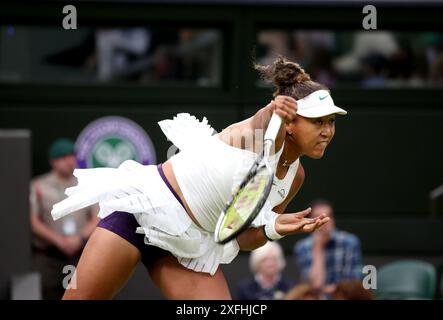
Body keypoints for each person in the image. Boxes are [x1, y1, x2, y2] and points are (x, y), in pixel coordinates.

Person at [51, 56, 347, 300]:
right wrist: (273, 111)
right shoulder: (256, 135)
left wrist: (274, 227)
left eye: (331, 122)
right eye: (318, 121)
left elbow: (241, 237)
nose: (327, 131)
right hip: (141, 213)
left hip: (188, 247)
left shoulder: (295, 178)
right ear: (291, 123)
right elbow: (262, 120)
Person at [30, 138, 99, 300]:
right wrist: (58, 240)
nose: (68, 161)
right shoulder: (38, 186)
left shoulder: (86, 184)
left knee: (83, 294)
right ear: (53, 161)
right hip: (49, 255)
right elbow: (32, 221)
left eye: (71, 156)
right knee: (46, 292)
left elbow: (98, 216)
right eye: (62, 157)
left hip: (81, 254)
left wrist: (79, 239)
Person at [293, 199, 362, 293]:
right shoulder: (302, 247)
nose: (325, 222)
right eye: (319, 218)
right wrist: (318, 247)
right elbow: (314, 285)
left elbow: (352, 283)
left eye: (329, 216)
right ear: (310, 221)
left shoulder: (349, 242)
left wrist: (327, 290)